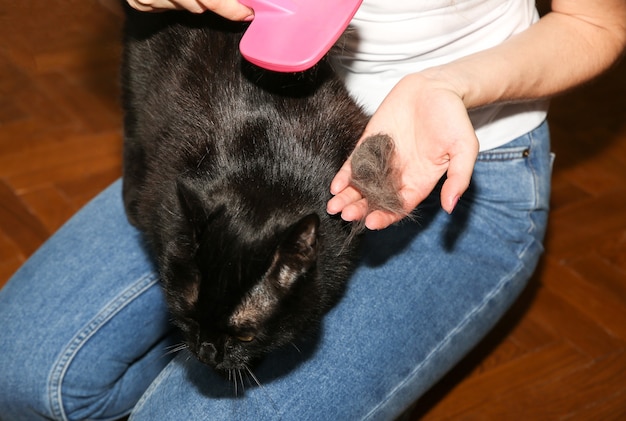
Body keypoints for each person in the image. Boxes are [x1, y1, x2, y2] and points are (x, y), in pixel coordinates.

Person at [0, 0, 624, 419]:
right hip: (247, 147)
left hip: (457, 164)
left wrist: (448, 86)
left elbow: (597, 24)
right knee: (19, 374)